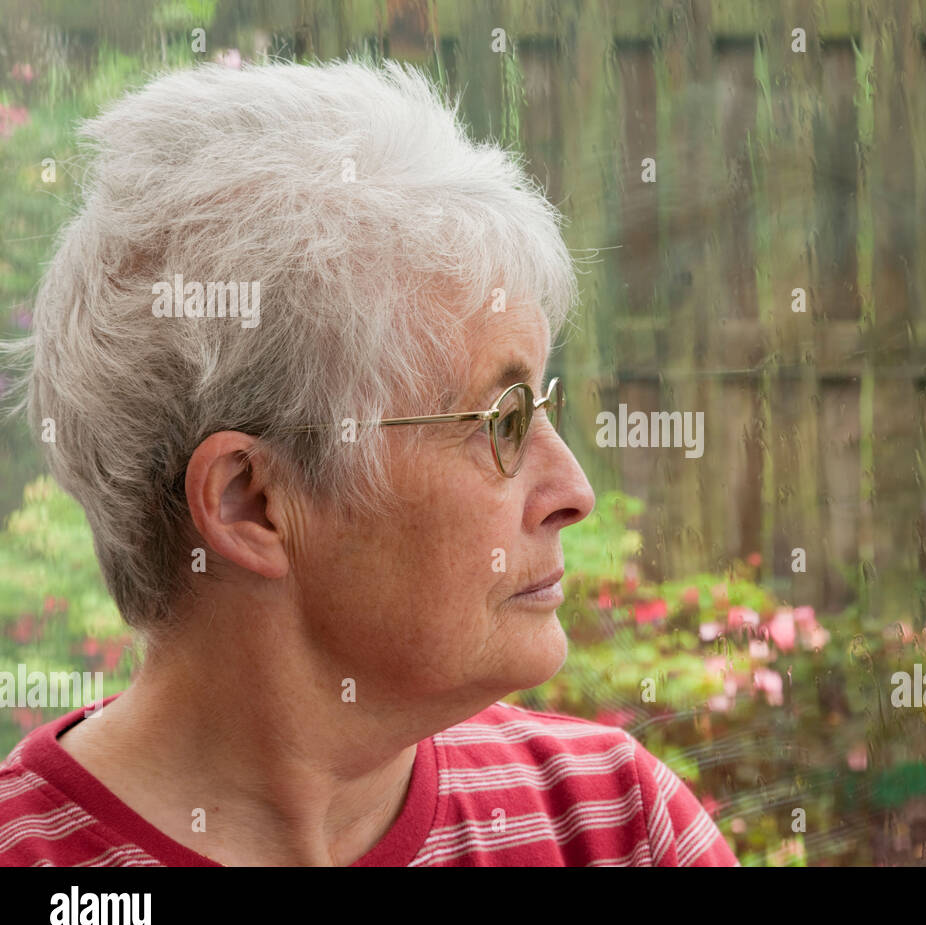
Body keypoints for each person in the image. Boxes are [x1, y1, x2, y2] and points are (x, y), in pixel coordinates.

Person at [0, 59, 738, 867]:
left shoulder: (611, 827)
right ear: (253, 503)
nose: (574, 492)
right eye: (501, 421)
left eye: (542, 406)